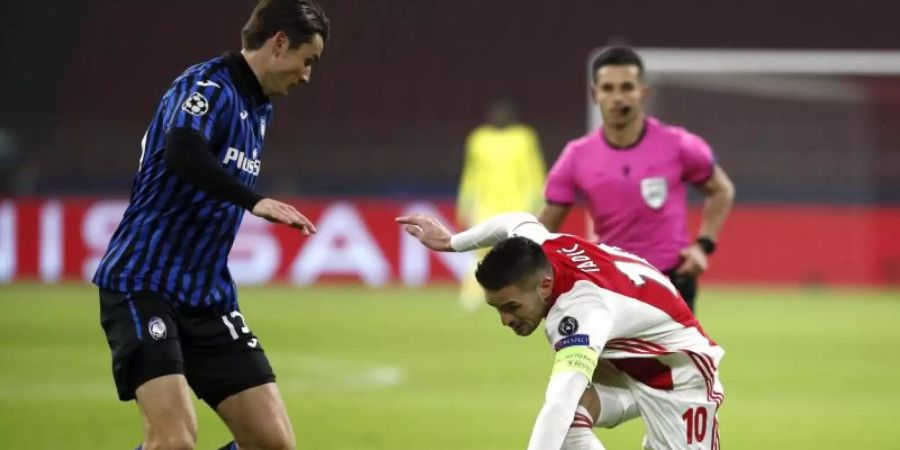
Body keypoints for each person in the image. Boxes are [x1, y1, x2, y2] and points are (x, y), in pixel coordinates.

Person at [92, 1, 329, 449]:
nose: (306, 75)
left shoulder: (259, 110)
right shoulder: (207, 85)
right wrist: (254, 202)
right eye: (307, 60)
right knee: (174, 441)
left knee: (274, 445)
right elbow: (182, 149)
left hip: (208, 296)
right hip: (144, 283)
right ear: (280, 43)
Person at [397, 212, 724, 450]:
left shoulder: (582, 312)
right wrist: (451, 242)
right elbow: (514, 220)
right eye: (497, 308)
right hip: (626, 362)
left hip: (678, 377)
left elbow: (559, 400)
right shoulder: (542, 246)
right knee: (565, 428)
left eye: (511, 306)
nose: (505, 320)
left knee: (561, 413)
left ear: (545, 285)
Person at [538, 46, 735, 312]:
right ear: (595, 95)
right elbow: (544, 228)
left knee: (669, 357)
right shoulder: (576, 156)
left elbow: (721, 190)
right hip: (612, 286)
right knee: (612, 356)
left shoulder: (678, 145)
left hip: (673, 282)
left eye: (627, 87)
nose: (618, 97)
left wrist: (704, 245)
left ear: (642, 92)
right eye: (608, 88)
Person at [456, 99, 546, 310]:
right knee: (480, 251)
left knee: (521, 252)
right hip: (487, 204)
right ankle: (472, 295)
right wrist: (464, 204)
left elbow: (534, 171)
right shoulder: (478, 139)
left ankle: (524, 293)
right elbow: (471, 175)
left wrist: (539, 203)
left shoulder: (524, 138)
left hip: (518, 204)